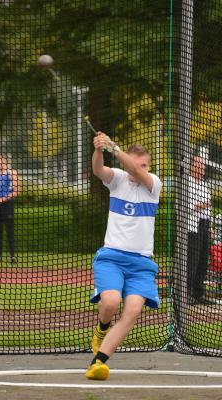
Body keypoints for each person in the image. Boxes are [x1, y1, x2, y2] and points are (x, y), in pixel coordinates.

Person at [85, 132, 162, 380]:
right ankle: (101, 330)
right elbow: (98, 170)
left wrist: (113, 148)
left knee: (131, 312)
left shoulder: (153, 185)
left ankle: (98, 362)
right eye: (138, 164)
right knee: (110, 303)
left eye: (145, 165)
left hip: (141, 265)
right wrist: (99, 149)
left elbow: (132, 168)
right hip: (112, 257)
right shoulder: (118, 179)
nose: (142, 169)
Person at [187, 155, 212, 304]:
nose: (203, 169)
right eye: (200, 165)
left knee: (203, 260)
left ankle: (198, 293)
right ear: (192, 166)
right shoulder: (187, 184)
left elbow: (210, 207)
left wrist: (211, 227)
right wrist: (201, 205)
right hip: (193, 226)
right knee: (192, 260)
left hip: (205, 224)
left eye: (203, 166)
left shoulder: (203, 184)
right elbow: (185, 207)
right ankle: (187, 293)